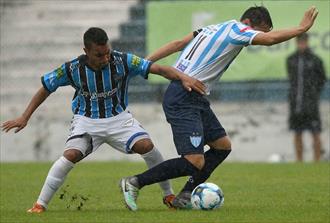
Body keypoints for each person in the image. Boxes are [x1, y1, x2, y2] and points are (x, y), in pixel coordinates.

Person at [119, 6, 319, 211]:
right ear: (249, 23)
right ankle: (135, 182)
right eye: (260, 31)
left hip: (195, 95)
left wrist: (145, 62)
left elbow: (177, 44)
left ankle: (186, 194)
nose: (257, 38)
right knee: (194, 161)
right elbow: (270, 40)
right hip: (183, 95)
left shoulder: (210, 29)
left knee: (222, 146)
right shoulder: (238, 29)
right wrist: (300, 29)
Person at [1, 27, 206, 213]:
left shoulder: (123, 60)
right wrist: (24, 117)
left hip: (119, 119)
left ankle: (168, 195)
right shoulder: (72, 69)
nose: (105, 58)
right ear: (86, 51)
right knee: (70, 155)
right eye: (99, 55)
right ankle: (40, 205)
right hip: (87, 121)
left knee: (147, 145)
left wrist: (183, 77)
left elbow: (159, 69)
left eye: (107, 52)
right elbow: (46, 88)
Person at [286, 33, 326, 162]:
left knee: (315, 132)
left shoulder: (315, 60)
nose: (302, 44)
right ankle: (299, 161)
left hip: (311, 103)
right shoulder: (291, 59)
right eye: (300, 41)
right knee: (297, 132)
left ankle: (317, 160)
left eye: (304, 41)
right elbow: (292, 79)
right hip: (296, 103)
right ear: (296, 42)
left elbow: (322, 79)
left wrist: (313, 94)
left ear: (308, 42)